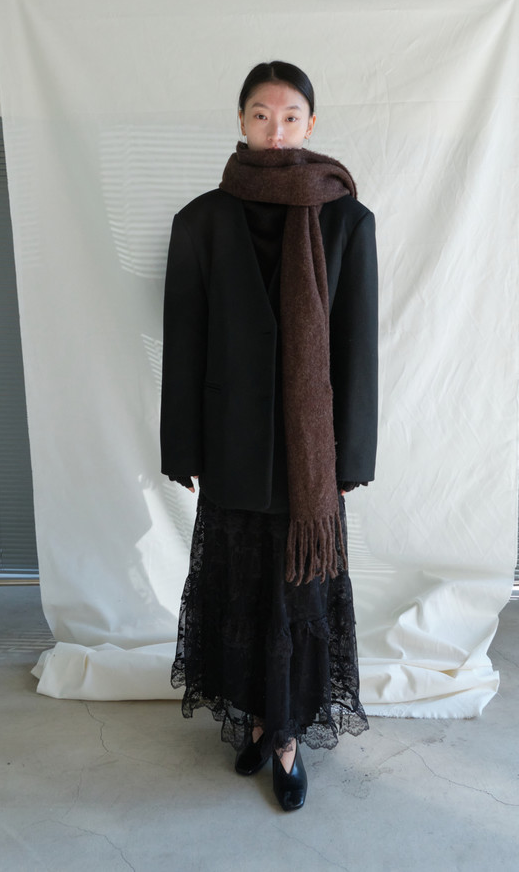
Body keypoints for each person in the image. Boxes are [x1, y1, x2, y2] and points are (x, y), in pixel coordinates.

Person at [160, 60, 378, 812]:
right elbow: (185, 342)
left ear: (311, 124)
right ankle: (257, 719)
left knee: (297, 596)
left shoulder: (347, 220)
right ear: (241, 120)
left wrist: (351, 455)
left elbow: (356, 348)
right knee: (242, 591)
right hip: (233, 445)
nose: (275, 130)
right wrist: (182, 447)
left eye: (290, 117)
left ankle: (285, 740)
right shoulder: (201, 220)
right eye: (261, 115)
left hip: (309, 461)